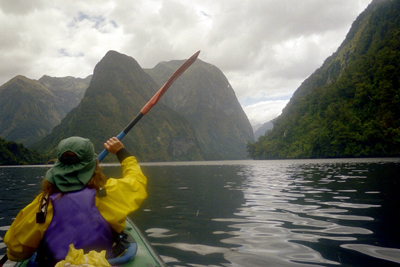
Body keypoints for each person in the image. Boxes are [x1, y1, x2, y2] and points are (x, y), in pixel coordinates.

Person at [4, 136, 147, 266]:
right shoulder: (108, 193)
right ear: (94, 165)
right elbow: (137, 180)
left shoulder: (42, 204)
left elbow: (16, 251)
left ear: (58, 166)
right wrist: (121, 152)